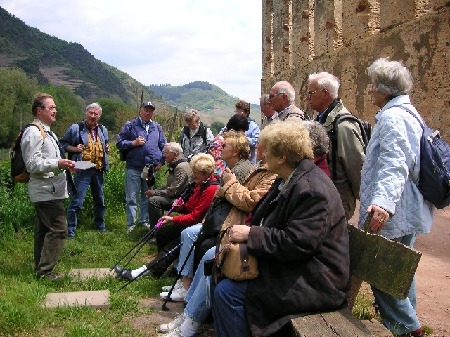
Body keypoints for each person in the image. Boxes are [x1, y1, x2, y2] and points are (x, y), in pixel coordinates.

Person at [212, 121, 350, 337]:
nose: (262, 155)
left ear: (282, 156)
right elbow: (261, 217)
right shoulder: (287, 180)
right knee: (218, 270)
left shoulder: (312, 190)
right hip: (295, 266)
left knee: (228, 293)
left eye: (267, 149)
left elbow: (298, 243)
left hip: (316, 279)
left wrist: (251, 234)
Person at [157, 141, 276, 337]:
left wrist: (229, 184)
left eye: (225, 147)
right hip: (238, 227)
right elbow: (225, 196)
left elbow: (249, 201)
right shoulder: (259, 169)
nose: (260, 148)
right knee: (203, 249)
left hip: (247, 234)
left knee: (211, 254)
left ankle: (190, 322)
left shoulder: (261, 172)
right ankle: (188, 313)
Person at [358, 58, 432, 337]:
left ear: (385, 89)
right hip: (402, 206)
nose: (370, 91)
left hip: (393, 208)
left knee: (379, 269)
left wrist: (383, 205)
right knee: (399, 270)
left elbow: (395, 162)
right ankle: (407, 323)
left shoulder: (393, 117)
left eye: (373, 86)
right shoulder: (407, 113)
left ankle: (409, 328)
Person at [159, 130, 260, 302]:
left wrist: (226, 189)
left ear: (235, 151)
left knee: (195, 237)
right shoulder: (233, 168)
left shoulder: (242, 170)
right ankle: (185, 282)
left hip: (229, 222)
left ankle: (187, 286)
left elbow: (236, 199)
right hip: (220, 219)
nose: (221, 147)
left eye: (226, 145)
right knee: (188, 234)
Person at [115, 153, 219, 279]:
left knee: (172, 246)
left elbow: (195, 217)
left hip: (198, 228)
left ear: (205, 173)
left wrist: (173, 218)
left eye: (196, 173)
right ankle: (166, 266)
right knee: (162, 232)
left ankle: (143, 272)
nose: (193, 175)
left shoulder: (211, 189)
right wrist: (180, 206)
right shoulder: (200, 185)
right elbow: (190, 208)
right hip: (190, 223)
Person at [21, 93, 76, 280]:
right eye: (51, 107)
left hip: (49, 190)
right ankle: (45, 272)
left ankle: (40, 268)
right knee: (59, 229)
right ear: (39, 110)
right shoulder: (34, 132)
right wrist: (58, 164)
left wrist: (65, 165)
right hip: (44, 191)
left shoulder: (47, 131)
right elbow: (32, 164)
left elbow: (48, 159)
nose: (55, 110)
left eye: (55, 107)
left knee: (43, 230)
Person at [307, 72, 365, 220]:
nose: (308, 98)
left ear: (325, 94)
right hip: (322, 194)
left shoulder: (343, 125)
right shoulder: (321, 119)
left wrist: (364, 198)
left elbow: (356, 166)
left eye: (311, 93)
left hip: (337, 199)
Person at [59, 102, 109, 238]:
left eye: (96, 114)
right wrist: (75, 149)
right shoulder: (76, 128)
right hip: (82, 168)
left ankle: (100, 226)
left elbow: (105, 144)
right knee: (77, 201)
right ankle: (70, 231)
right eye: (90, 113)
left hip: (98, 169)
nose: (93, 116)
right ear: (86, 113)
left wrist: (106, 149)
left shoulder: (102, 130)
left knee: (100, 200)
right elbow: (62, 144)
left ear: (99, 116)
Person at [116, 101, 167, 233]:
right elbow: (119, 143)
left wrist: (162, 161)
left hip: (150, 168)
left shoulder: (157, 127)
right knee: (131, 196)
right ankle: (131, 225)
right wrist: (133, 142)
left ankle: (143, 221)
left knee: (147, 195)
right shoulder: (131, 125)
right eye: (145, 109)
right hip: (133, 165)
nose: (148, 112)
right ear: (140, 110)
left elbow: (163, 145)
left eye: (150, 110)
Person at [145, 142, 192, 229]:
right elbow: (169, 186)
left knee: (153, 201)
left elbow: (173, 191)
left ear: (175, 154)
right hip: (178, 197)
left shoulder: (181, 167)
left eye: (166, 153)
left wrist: (154, 192)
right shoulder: (177, 165)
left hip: (182, 200)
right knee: (155, 198)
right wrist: (157, 191)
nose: (164, 156)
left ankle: (156, 231)